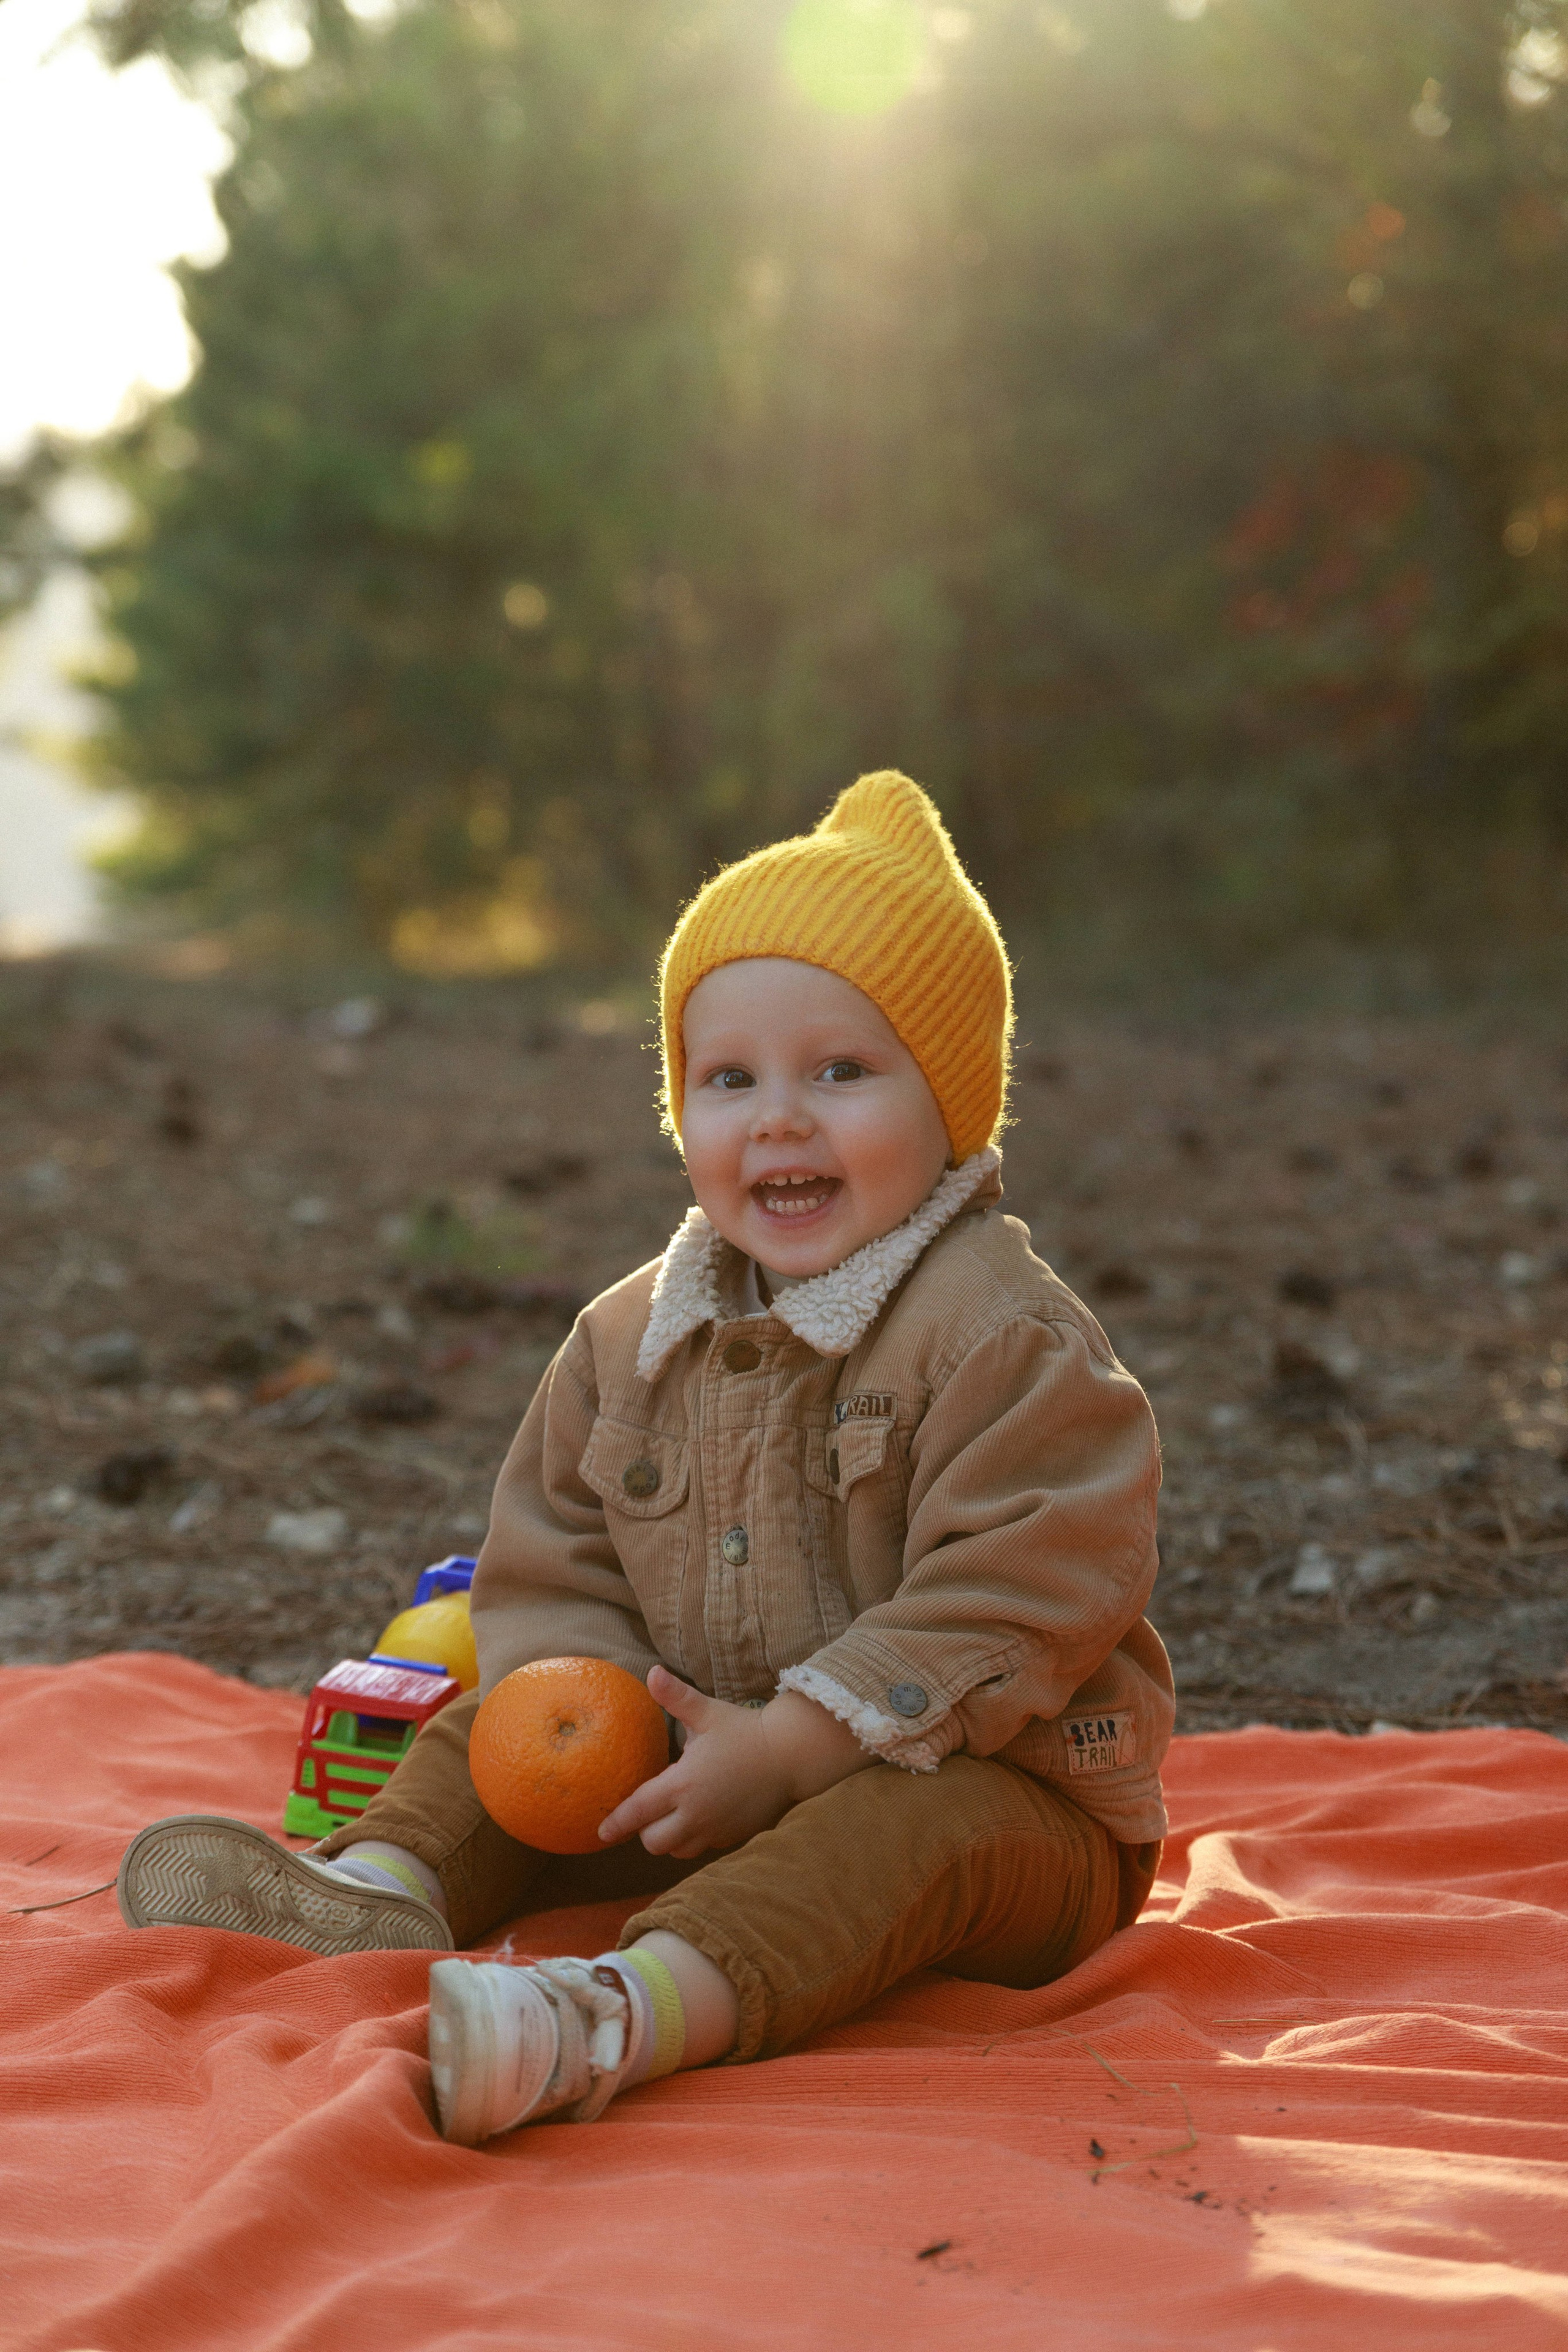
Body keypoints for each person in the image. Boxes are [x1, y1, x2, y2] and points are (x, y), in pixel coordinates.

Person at [116, 770, 1172, 2146]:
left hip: (991, 1798)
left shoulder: (1001, 1335)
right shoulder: (629, 1338)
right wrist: (585, 1703)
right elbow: (554, 1557)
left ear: (951, 1100)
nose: (777, 1117)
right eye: (729, 1079)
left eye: (840, 1071)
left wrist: (796, 1745)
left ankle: (617, 2013)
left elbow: (1030, 1580)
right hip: (699, 1757)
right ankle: (383, 1884)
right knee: (495, 1726)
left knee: (912, 1834)